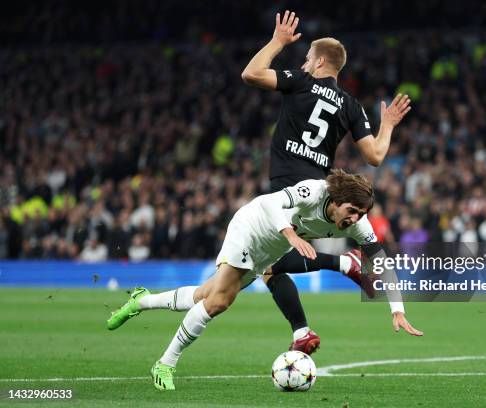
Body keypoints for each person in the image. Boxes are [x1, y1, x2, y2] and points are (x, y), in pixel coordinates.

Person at [107, 169, 423, 390]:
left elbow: (381, 264)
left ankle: (141, 300)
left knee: (205, 295)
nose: (354, 219)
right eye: (352, 211)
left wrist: (397, 310)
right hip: (252, 227)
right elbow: (272, 203)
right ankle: (166, 362)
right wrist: (289, 234)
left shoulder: (357, 225)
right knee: (220, 301)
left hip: (269, 251)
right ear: (337, 199)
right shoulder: (315, 191)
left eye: (360, 214)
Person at [240, 10, 412, 354]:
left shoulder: (302, 82)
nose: (303, 64)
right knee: (271, 267)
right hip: (322, 192)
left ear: (318, 61)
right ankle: (302, 330)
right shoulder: (351, 105)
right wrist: (388, 124)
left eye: (306, 59)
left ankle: (341, 265)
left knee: (265, 264)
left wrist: (276, 42)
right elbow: (375, 156)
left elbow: (250, 74)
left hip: (292, 189)